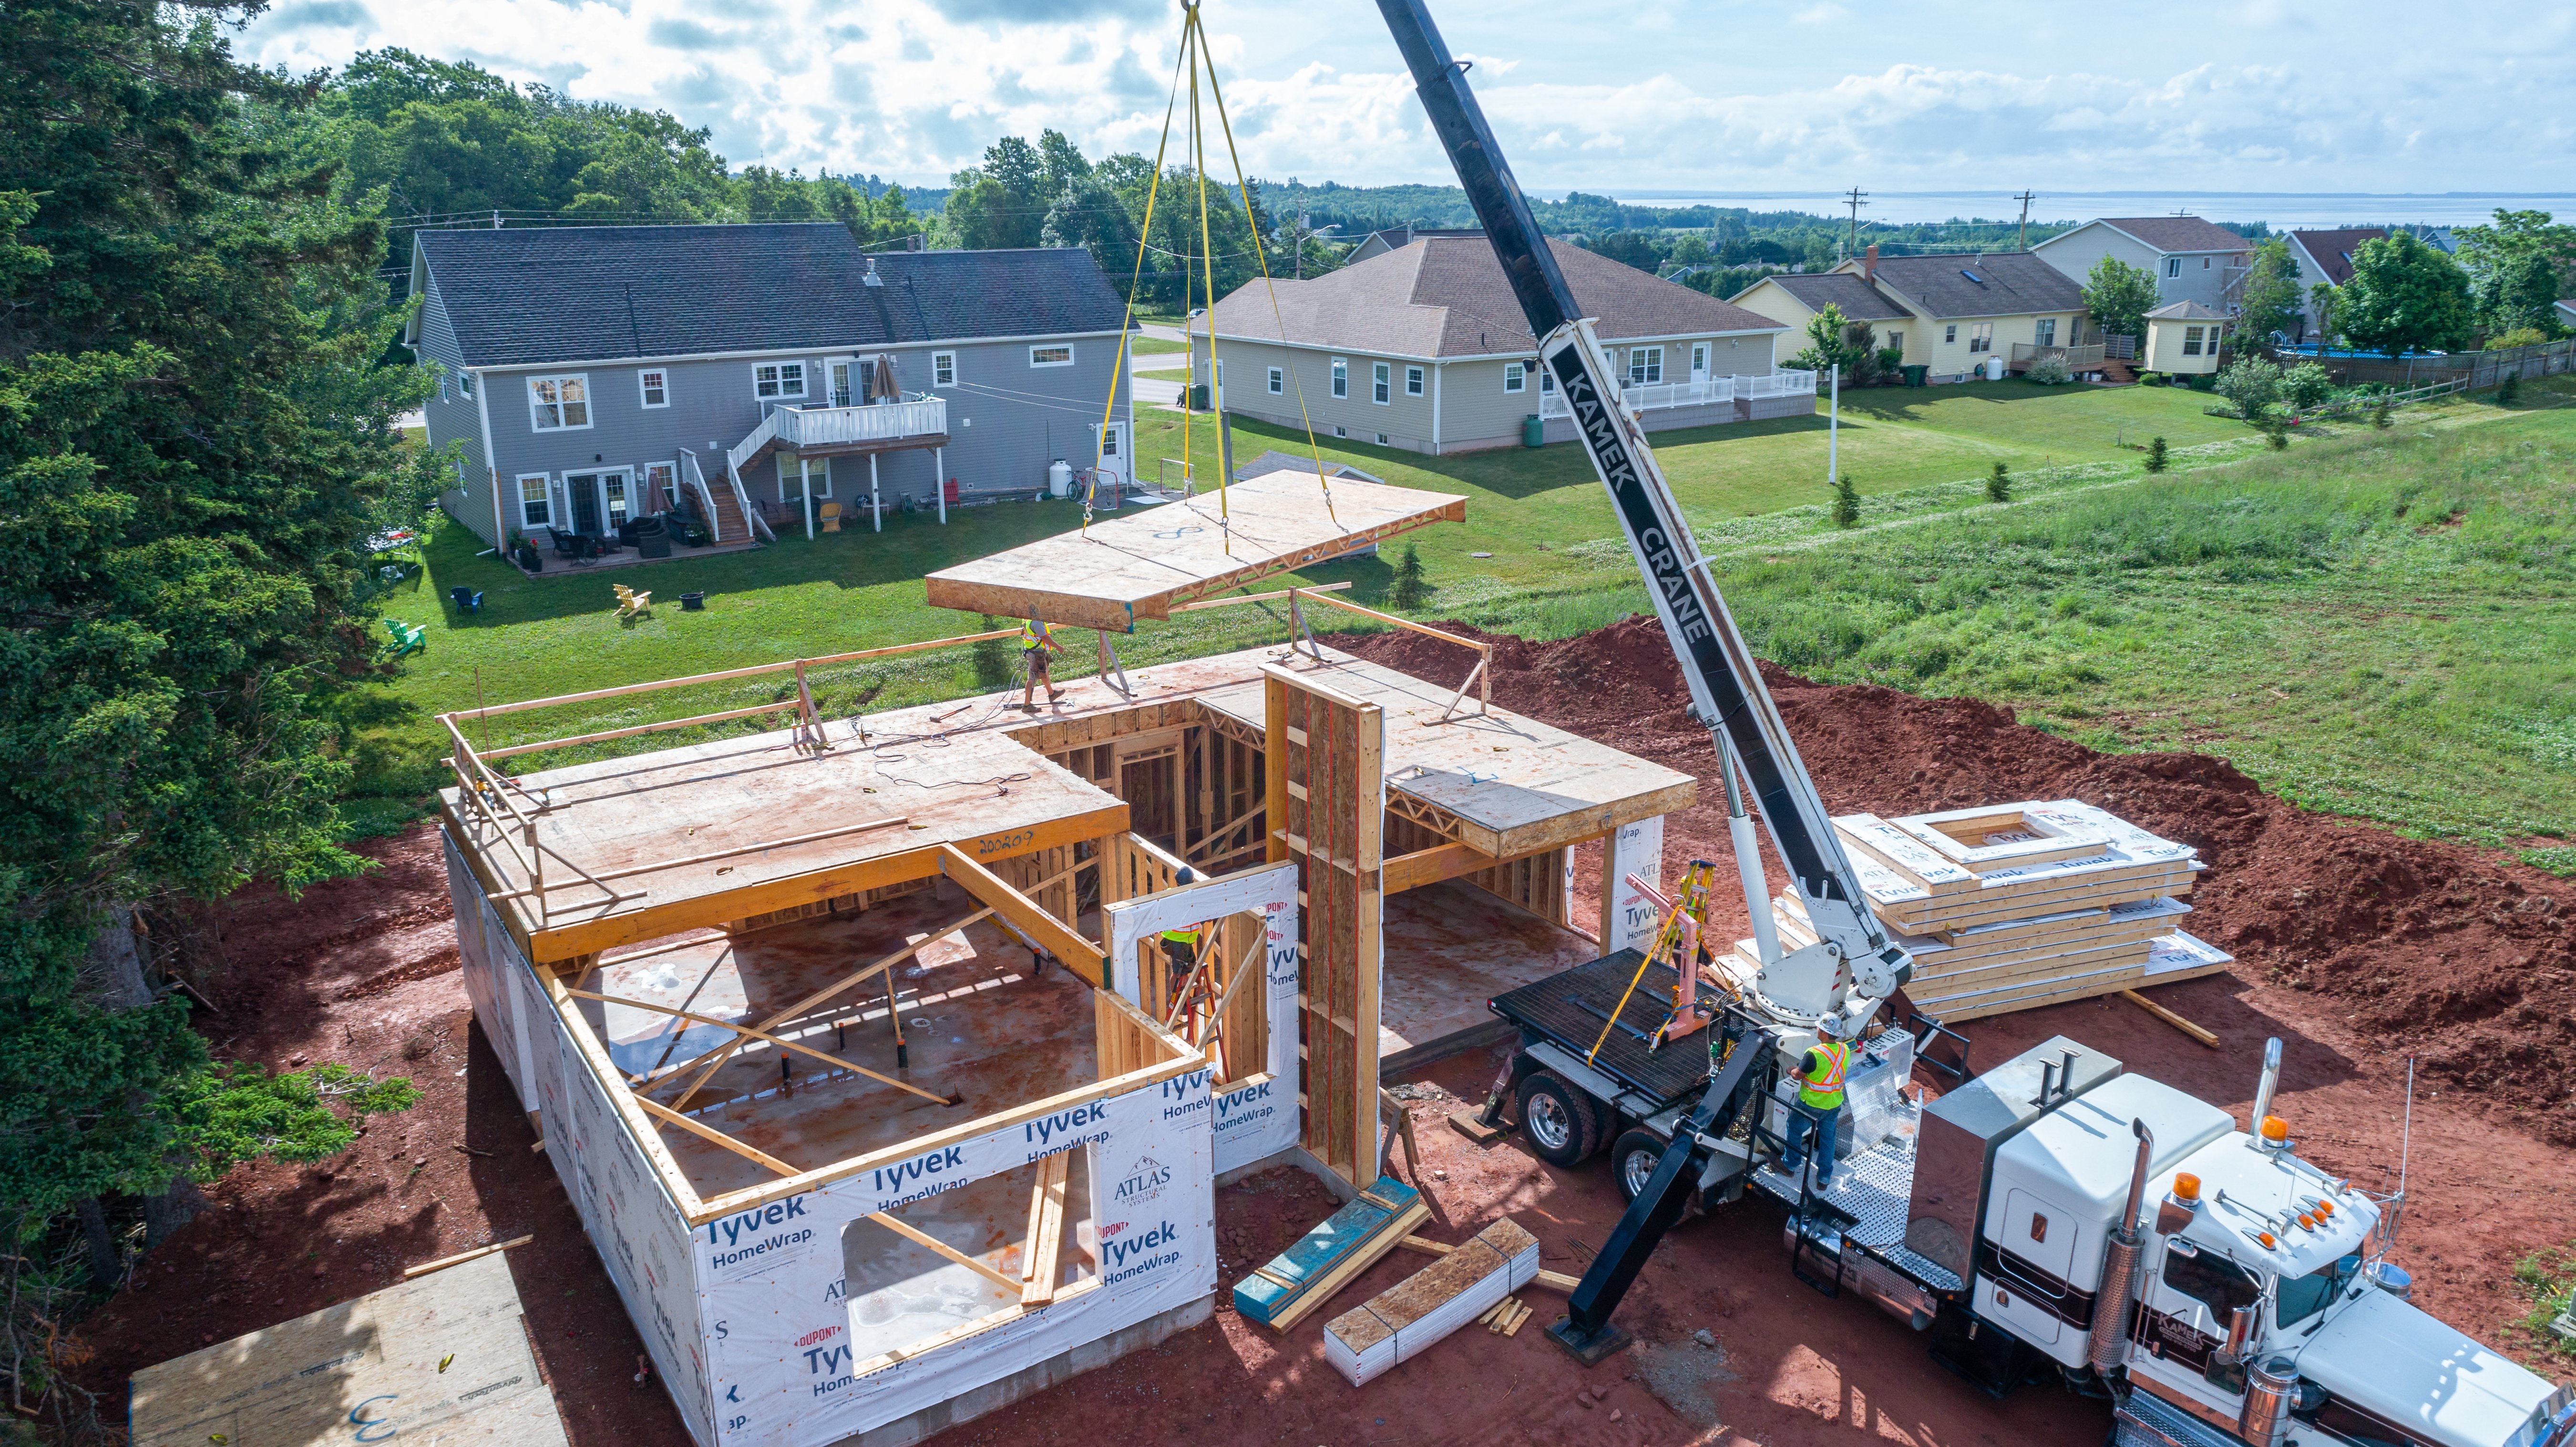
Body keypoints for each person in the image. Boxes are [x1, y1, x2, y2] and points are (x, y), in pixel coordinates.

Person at [1780, 1016, 1851, 1190]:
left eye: (1819, 1028)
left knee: (1795, 1129)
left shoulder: (1814, 1054)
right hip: (1833, 1104)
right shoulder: (1845, 1049)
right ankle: (1824, 1178)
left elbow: (1798, 1075)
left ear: (1824, 1033)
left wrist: (1791, 1070)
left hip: (1811, 1104)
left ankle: (1790, 1165)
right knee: (1828, 1140)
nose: (1816, 1030)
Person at [1017, 617, 1063, 711]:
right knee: (1032, 679)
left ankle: (1052, 694)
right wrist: (1058, 647)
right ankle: (1027, 706)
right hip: (1035, 653)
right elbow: (1045, 638)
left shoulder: (1028, 619)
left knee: (1045, 673)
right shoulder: (1037, 622)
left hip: (1035, 651)